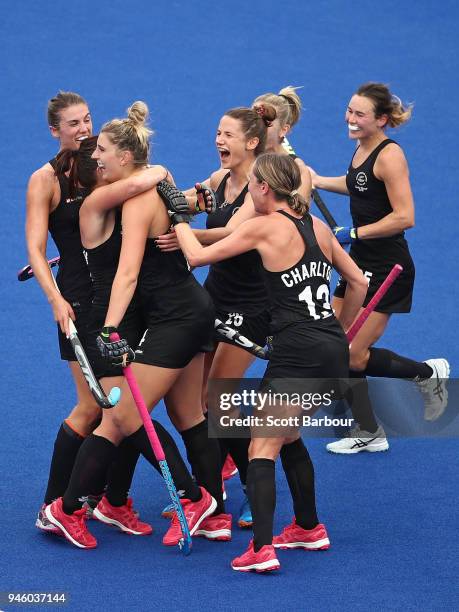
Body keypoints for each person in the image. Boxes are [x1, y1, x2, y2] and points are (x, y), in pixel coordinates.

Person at [167, 152, 368, 572]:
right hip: (329, 345)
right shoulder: (315, 226)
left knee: (262, 443)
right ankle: (308, 528)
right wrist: (340, 330)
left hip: (297, 351)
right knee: (289, 433)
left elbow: (199, 257)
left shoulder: (262, 227)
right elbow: (358, 282)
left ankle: (261, 549)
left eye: (252, 185)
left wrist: (177, 217)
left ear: (263, 188)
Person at [45, 102, 228, 549]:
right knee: (189, 416)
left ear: (125, 158)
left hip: (174, 317)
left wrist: (108, 331)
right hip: (188, 308)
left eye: (102, 148)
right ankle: (213, 512)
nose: (95, 156)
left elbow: (127, 274)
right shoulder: (148, 187)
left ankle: (64, 509)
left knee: (121, 417)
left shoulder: (135, 198)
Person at [308, 82, 450, 454]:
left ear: (382, 120)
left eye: (359, 114)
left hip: (389, 268)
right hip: (361, 263)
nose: (350, 119)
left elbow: (406, 216)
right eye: (350, 111)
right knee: (335, 341)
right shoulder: (362, 147)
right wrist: (317, 179)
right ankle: (366, 422)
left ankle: (425, 375)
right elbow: (360, 185)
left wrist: (353, 231)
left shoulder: (390, 156)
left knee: (352, 353)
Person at [157, 105, 278, 529]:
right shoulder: (219, 180)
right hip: (214, 299)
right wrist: (154, 206)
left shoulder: (259, 189)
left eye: (227, 135)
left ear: (251, 142)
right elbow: (184, 199)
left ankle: (251, 489)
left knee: (218, 401)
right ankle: (209, 494)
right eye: (217, 133)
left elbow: (231, 236)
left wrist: (180, 231)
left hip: (252, 308)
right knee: (199, 403)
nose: (218, 141)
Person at [26, 91, 100, 533]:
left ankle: (97, 496)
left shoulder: (102, 163)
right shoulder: (45, 180)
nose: (84, 129)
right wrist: (55, 299)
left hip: (116, 297)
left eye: (88, 119)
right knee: (92, 405)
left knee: (116, 405)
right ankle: (53, 504)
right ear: (56, 130)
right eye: (74, 124)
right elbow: (35, 248)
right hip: (75, 300)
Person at [252, 85, 311, 200]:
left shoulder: (298, 170)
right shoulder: (241, 155)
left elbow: (299, 216)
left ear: (283, 130)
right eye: (254, 120)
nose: (257, 128)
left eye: (266, 123)